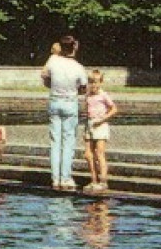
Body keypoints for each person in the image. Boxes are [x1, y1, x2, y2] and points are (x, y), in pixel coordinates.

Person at [40, 34, 88, 190]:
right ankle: (65, 177)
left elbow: (45, 78)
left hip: (55, 100)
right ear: (74, 47)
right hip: (70, 102)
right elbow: (83, 88)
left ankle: (55, 178)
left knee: (55, 142)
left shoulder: (53, 62)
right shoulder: (78, 67)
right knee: (68, 142)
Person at [82, 69, 120, 193]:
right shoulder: (87, 95)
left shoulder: (103, 95)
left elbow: (114, 109)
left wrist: (103, 119)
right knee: (88, 154)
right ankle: (93, 179)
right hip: (90, 124)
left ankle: (103, 181)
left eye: (96, 82)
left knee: (99, 153)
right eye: (91, 82)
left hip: (100, 124)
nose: (93, 85)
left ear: (101, 83)